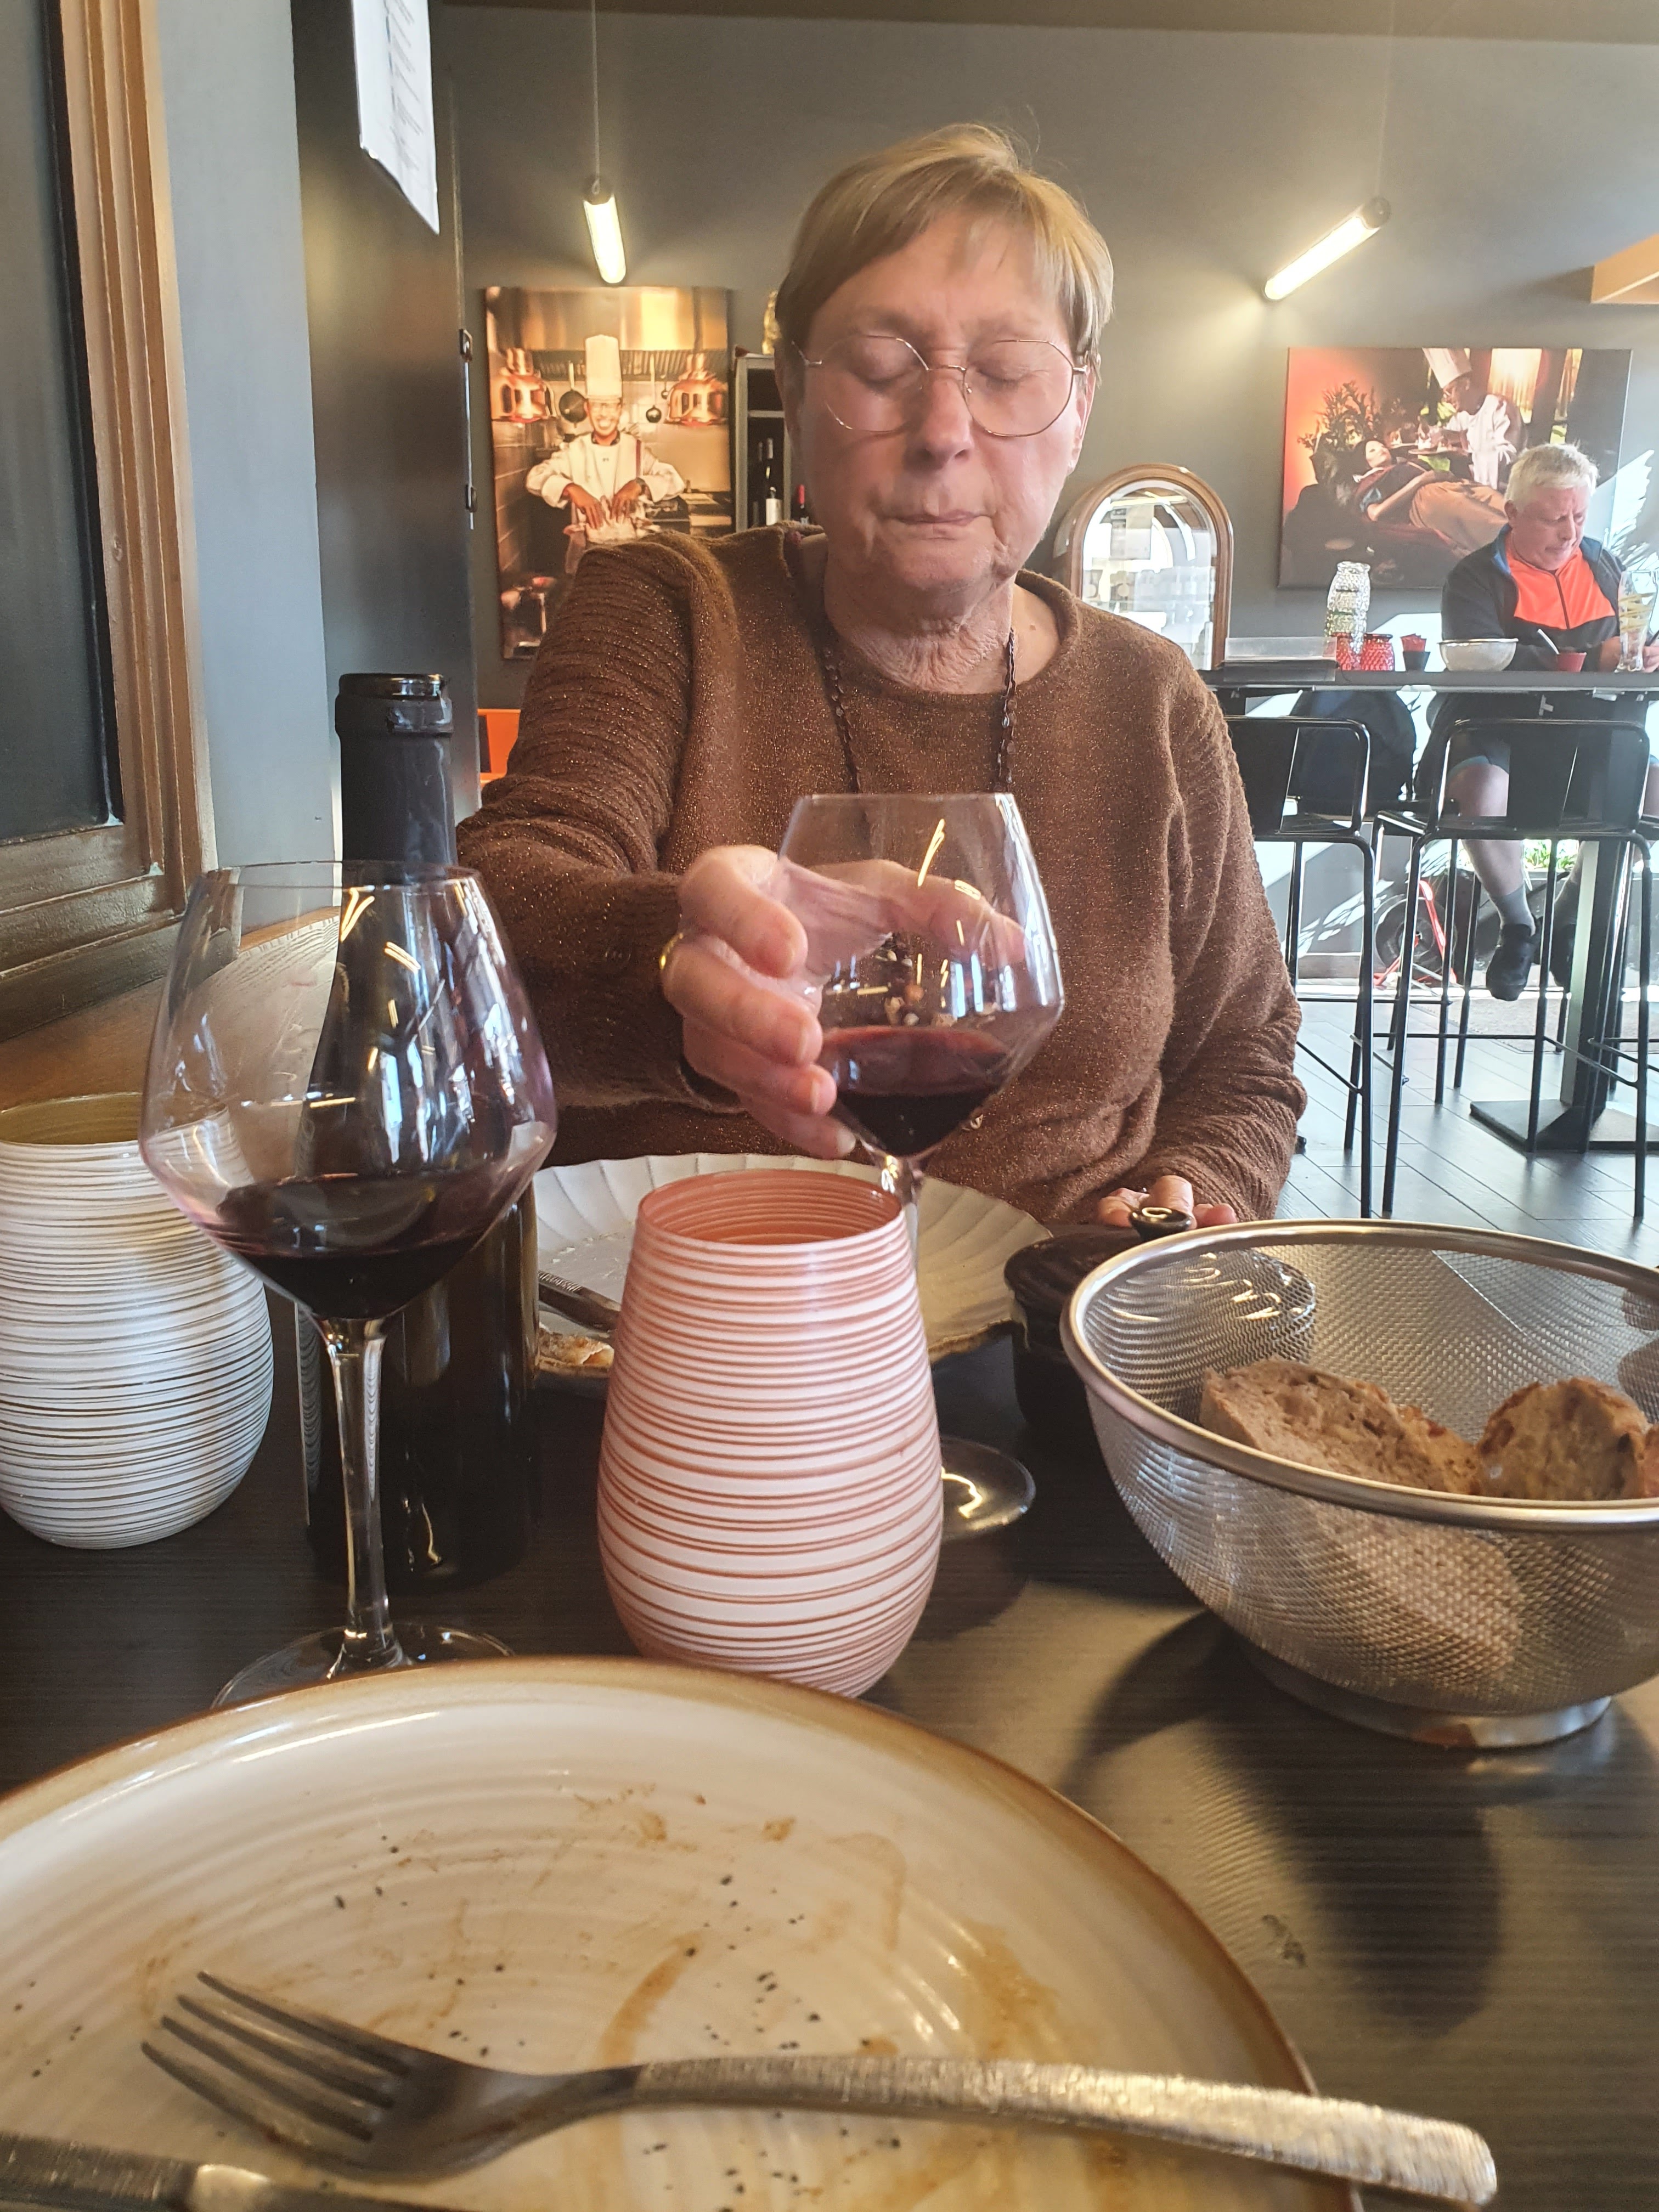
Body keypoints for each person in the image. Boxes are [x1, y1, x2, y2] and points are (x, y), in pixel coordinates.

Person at [460, 126, 1304, 1229]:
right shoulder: (665, 609)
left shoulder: (1153, 701)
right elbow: (502, 914)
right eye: (877, 369)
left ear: (1078, 408)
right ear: (793, 392)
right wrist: (678, 965)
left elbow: (1244, 1049)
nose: (943, 432)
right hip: (703, 1301)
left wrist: (1194, 1191)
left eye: (1006, 373)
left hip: (1052, 1311)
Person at [1427, 441, 1659, 1000]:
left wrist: (1644, 654)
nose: (1570, 533)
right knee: (1479, 790)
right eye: (1555, 519)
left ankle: (1568, 911)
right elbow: (1479, 659)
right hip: (1496, 727)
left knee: (1650, 793)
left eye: (1579, 516)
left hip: (1590, 730)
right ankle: (1519, 927)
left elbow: (1631, 644)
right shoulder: (1474, 577)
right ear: (1512, 513)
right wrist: (1590, 658)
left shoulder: (1604, 566)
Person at [526, 334, 685, 572]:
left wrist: (639, 484)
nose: (604, 414)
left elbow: (674, 481)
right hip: (588, 554)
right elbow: (534, 479)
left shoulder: (636, 448)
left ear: (620, 409)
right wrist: (571, 489)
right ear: (587, 408)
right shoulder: (575, 451)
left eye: (610, 405)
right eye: (598, 405)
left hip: (634, 554)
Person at [1432, 357, 1520, 491]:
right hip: (1474, 487)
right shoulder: (1463, 415)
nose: (1447, 400)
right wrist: (1436, 435)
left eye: (1450, 392)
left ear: (1466, 385)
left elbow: (1509, 456)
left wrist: (1470, 457)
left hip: (1505, 490)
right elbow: (1447, 433)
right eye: (1445, 395)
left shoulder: (1500, 407)